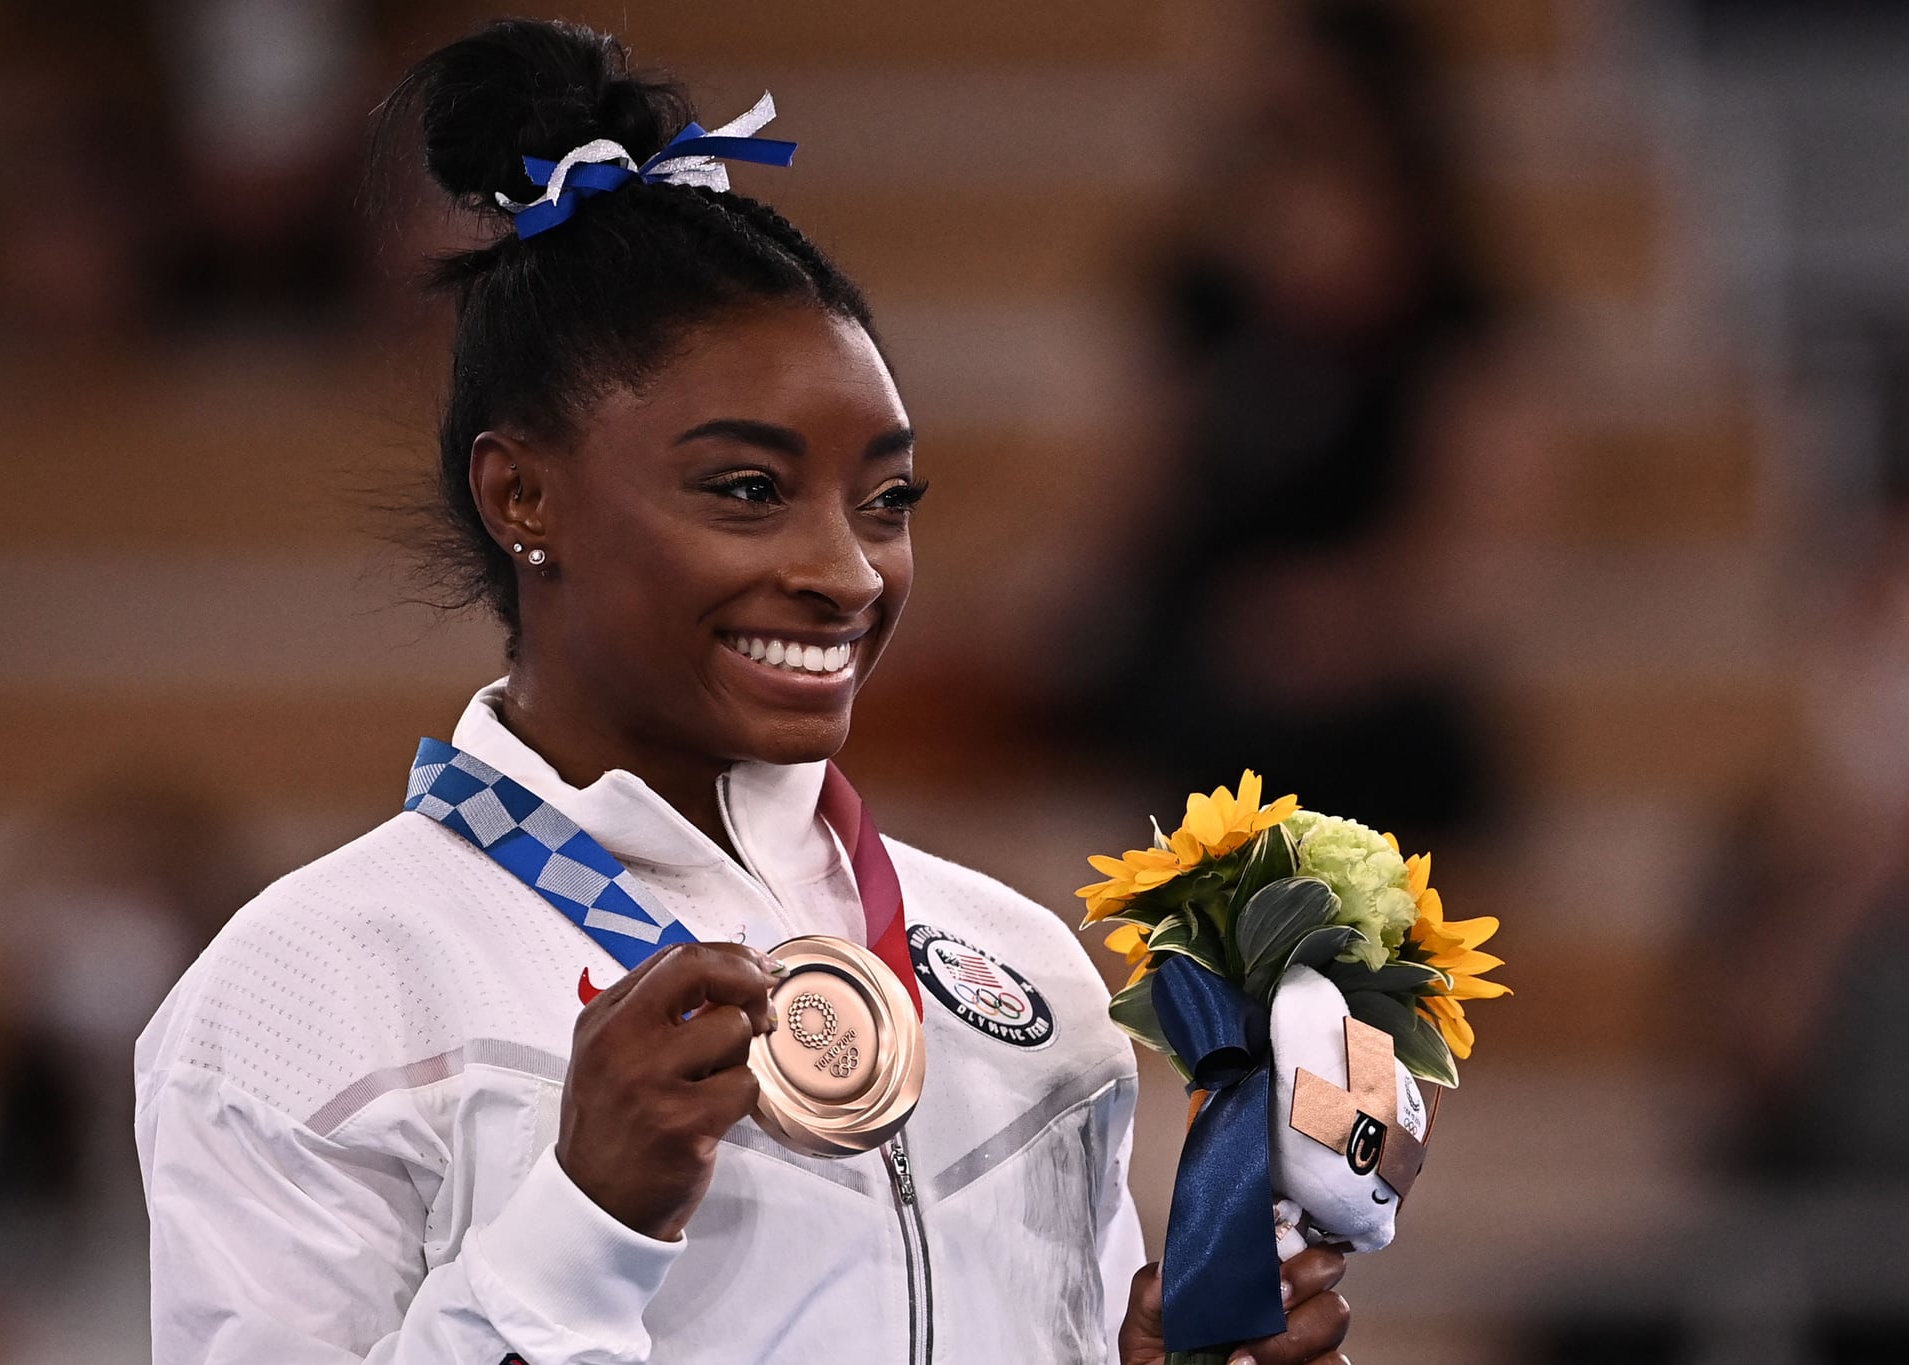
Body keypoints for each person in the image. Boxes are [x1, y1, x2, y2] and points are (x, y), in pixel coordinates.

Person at [133, 19, 1354, 1364]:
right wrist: (585, 1222)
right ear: (520, 492)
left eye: (886, 500)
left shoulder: (1023, 973)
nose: (845, 571)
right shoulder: (316, 988)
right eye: (748, 490)